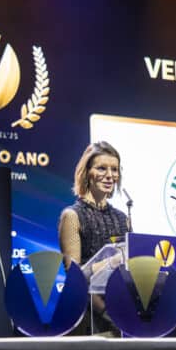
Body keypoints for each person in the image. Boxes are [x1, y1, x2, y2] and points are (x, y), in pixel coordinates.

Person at [58, 141, 129, 336]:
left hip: (123, 314)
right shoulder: (72, 216)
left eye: (114, 169)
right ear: (86, 173)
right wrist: (112, 261)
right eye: (101, 168)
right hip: (89, 320)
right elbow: (75, 280)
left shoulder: (123, 218)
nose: (110, 175)